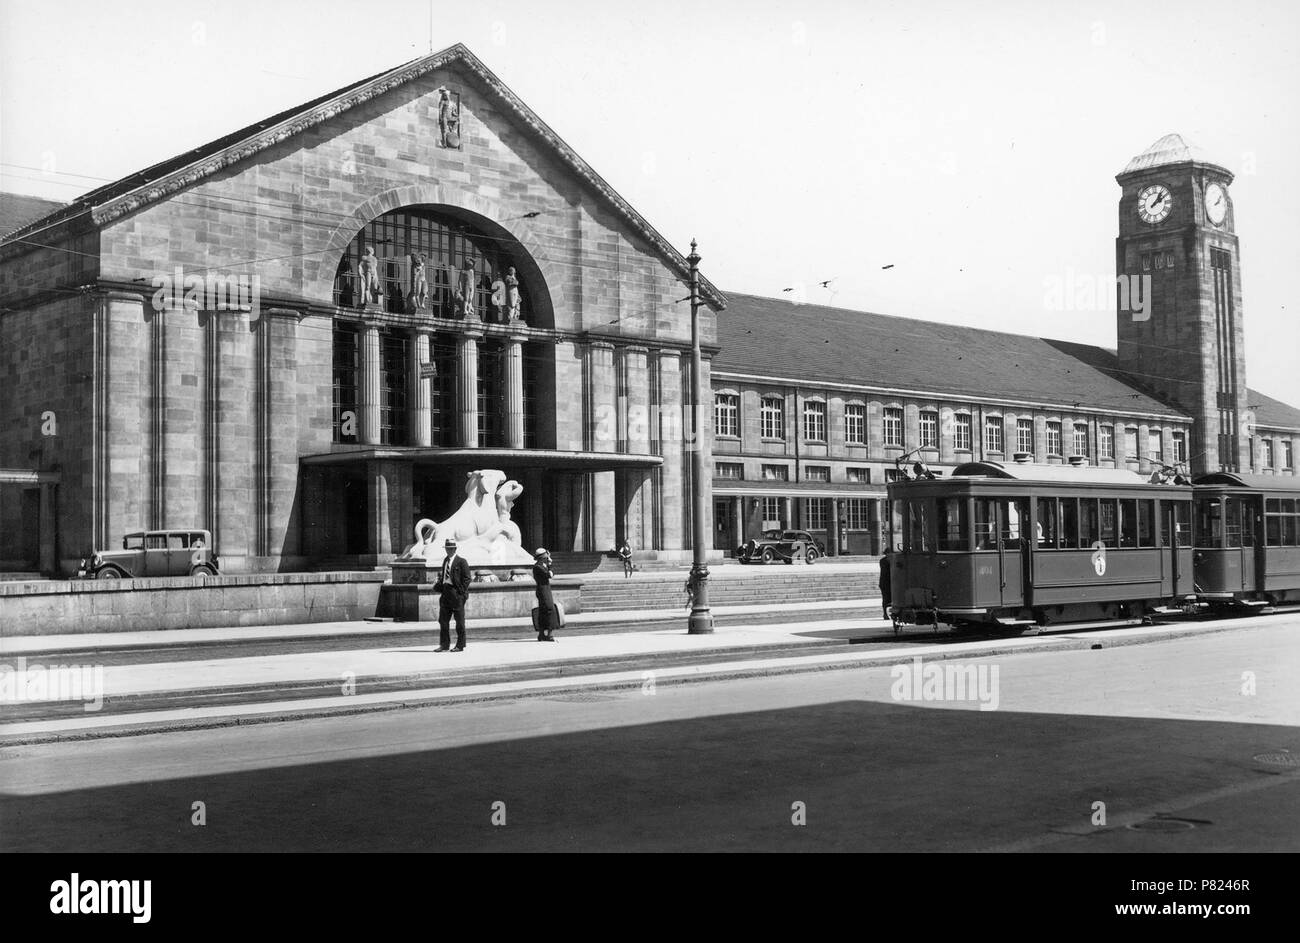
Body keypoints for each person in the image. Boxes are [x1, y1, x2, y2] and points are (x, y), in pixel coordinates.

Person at [434, 538, 472, 652]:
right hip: (446, 593)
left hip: (456, 594)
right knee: (443, 621)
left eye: (451, 549)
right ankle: (444, 645)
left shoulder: (461, 561)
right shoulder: (445, 560)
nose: (448, 551)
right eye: (447, 548)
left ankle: (460, 645)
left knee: (459, 621)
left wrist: (461, 592)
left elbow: (467, 578)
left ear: (455, 549)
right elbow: (444, 577)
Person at [532, 547, 558, 642]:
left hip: (544, 589)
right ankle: (549, 634)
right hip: (543, 590)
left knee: (544, 611)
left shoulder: (541, 565)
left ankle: (542, 634)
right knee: (549, 609)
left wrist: (549, 564)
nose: (547, 557)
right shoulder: (538, 566)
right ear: (543, 556)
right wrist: (550, 565)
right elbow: (549, 575)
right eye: (546, 555)